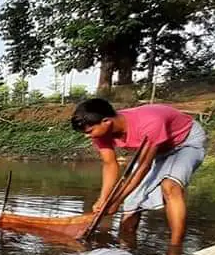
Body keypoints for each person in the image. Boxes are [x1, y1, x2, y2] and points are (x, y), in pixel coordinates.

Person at [71, 98, 207, 247]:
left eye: (90, 131)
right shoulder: (99, 133)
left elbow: (144, 166)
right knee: (131, 204)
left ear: (106, 121)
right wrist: (104, 199)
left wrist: (117, 200)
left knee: (170, 186)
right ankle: (126, 247)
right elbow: (110, 164)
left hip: (184, 142)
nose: (88, 136)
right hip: (156, 150)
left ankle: (175, 248)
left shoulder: (150, 122)